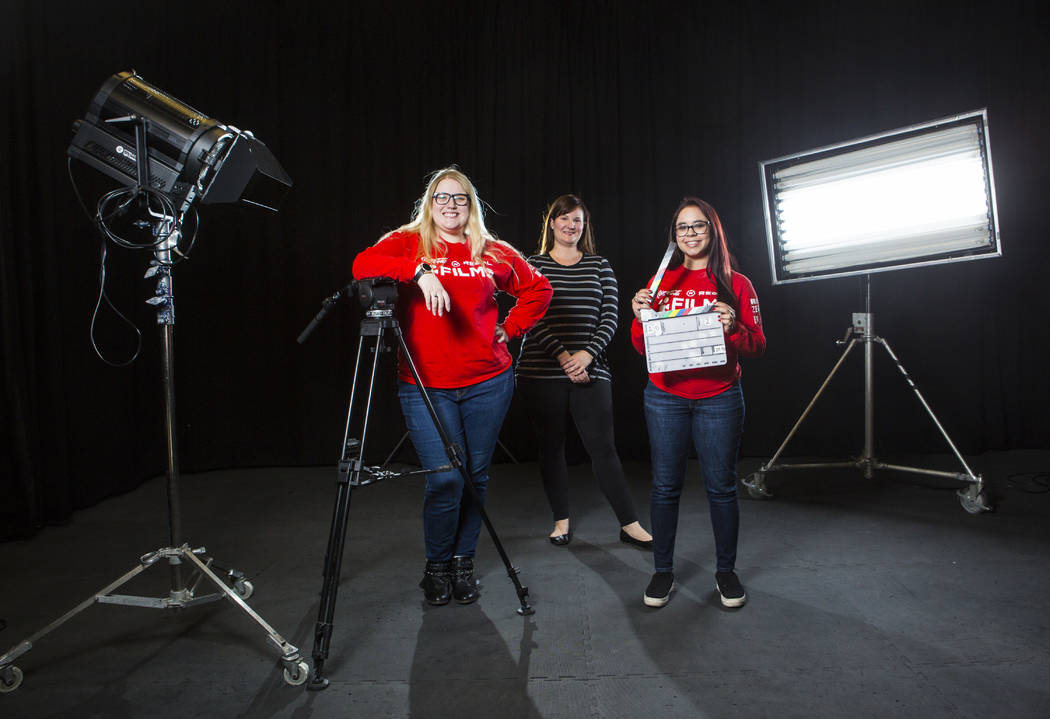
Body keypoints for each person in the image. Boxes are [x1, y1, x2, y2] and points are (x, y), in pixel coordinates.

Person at [352, 167, 552, 606]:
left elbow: (538, 289)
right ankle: (436, 566)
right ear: (429, 202)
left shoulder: (491, 250)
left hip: (488, 381)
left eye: (460, 199)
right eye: (442, 198)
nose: (450, 206)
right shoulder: (408, 242)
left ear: (471, 205)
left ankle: (463, 563)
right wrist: (418, 272)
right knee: (446, 478)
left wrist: (510, 327)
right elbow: (361, 264)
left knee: (475, 477)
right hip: (426, 385)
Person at [629, 197, 765, 609]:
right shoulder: (659, 283)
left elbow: (757, 345)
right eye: (682, 228)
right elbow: (641, 348)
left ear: (713, 230)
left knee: (721, 488)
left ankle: (726, 572)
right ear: (674, 236)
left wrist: (734, 326)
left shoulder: (736, 283)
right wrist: (639, 318)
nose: (689, 234)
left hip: (719, 397)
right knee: (665, 486)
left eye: (698, 226)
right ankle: (663, 571)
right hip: (665, 397)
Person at [516, 195, 653, 549]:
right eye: (563, 219)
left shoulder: (599, 265)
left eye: (577, 220)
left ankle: (630, 523)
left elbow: (610, 317)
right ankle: (560, 520)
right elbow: (530, 317)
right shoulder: (533, 265)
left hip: (592, 367)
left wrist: (587, 355)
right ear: (551, 223)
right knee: (551, 447)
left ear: (584, 226)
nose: (570, 226)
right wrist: (564, 356)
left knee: (603, 447)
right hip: (541, 367)